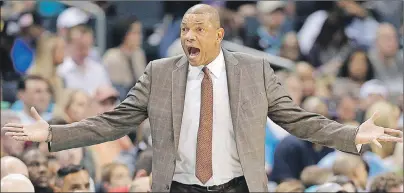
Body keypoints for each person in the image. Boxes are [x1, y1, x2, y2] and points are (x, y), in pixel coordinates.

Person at [2, 4, 403, 192]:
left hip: (238, 186)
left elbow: (298, 120)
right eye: (184, 29)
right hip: (178, 187)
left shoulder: (254, 71)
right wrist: (53, 133)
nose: (188, 37)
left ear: (218, 35)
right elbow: (112, 121)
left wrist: (352, 135)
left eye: (197, 30)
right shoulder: (159, 73)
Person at [57, 25, 111, 95]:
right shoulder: (61, 71)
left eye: (88, 46)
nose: (85, 52)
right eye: (81, 47)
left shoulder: (99, 69)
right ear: (69, 45)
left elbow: (110, 97)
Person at [102, 17, 147, 100]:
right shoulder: (111, 56)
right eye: (135, 33)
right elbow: (113, 88)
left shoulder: (139, 53)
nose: (140, 36)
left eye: (140, 33)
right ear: (124, 34)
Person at [28, 34, 65, 103]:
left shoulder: (58, 77)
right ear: (50, 51)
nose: (64, 53)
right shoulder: (34, 77)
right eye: (61, 49)